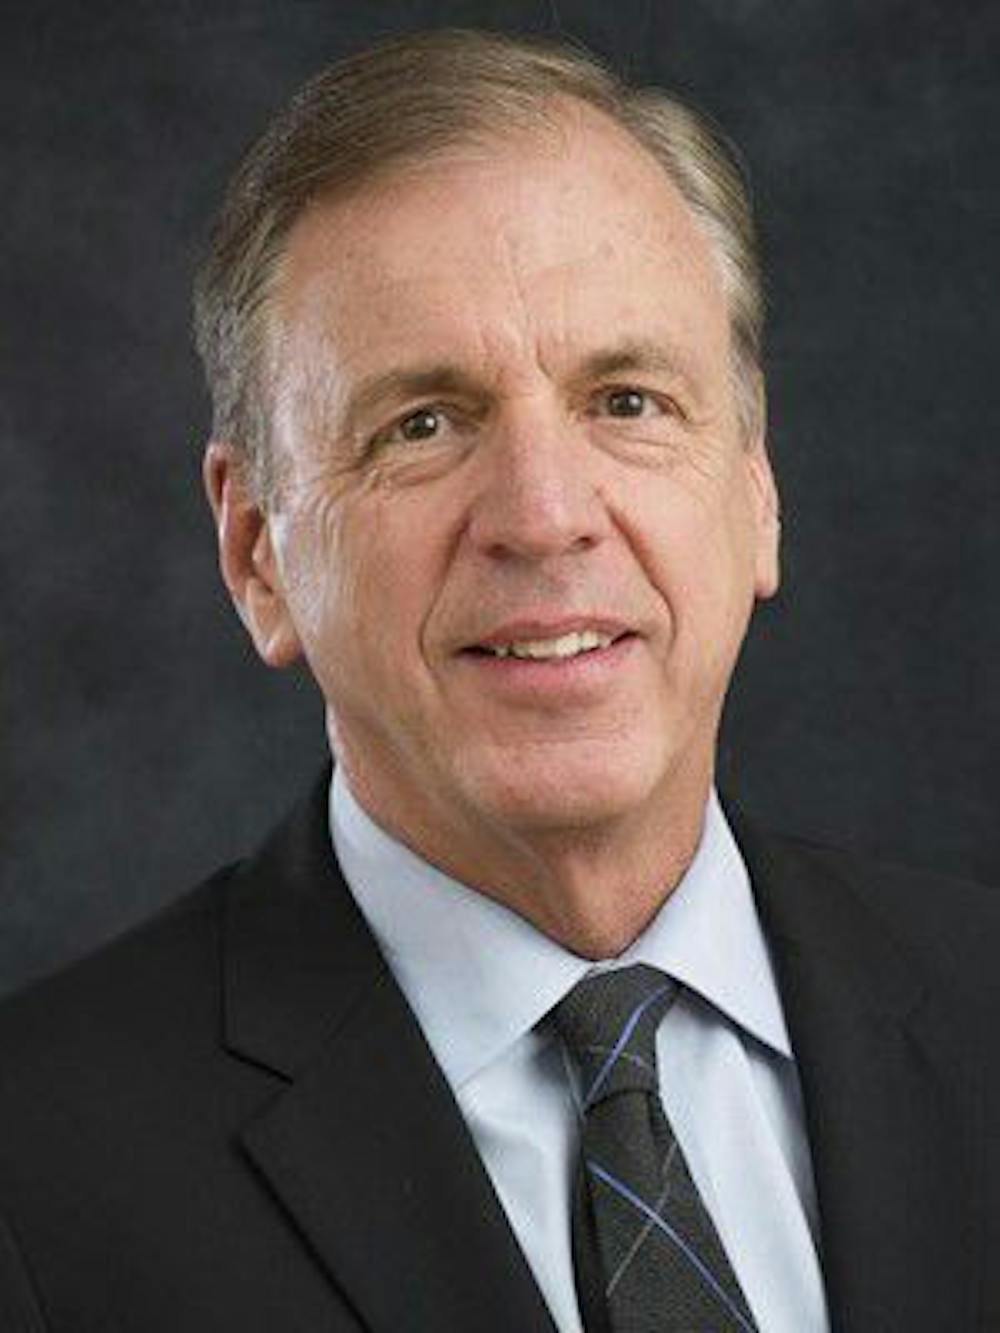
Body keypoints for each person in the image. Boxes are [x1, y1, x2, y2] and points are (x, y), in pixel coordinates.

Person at [0, 27, 996, 1333]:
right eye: (422, 424)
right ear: (258, 553)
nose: (545, 516)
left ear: (755, 490)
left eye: (627, 400)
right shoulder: (36, 1175)